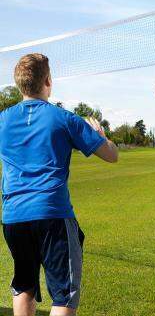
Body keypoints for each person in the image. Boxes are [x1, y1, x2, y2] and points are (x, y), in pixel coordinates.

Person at [0, 53, 119, 316]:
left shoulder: (3, 120)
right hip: (52, 214)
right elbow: (111, 155)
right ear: (48, 81)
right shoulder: (64, 118)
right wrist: (102, 136)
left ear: (20, 84)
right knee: (64, 296)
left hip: (13, 217)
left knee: (24, 287)